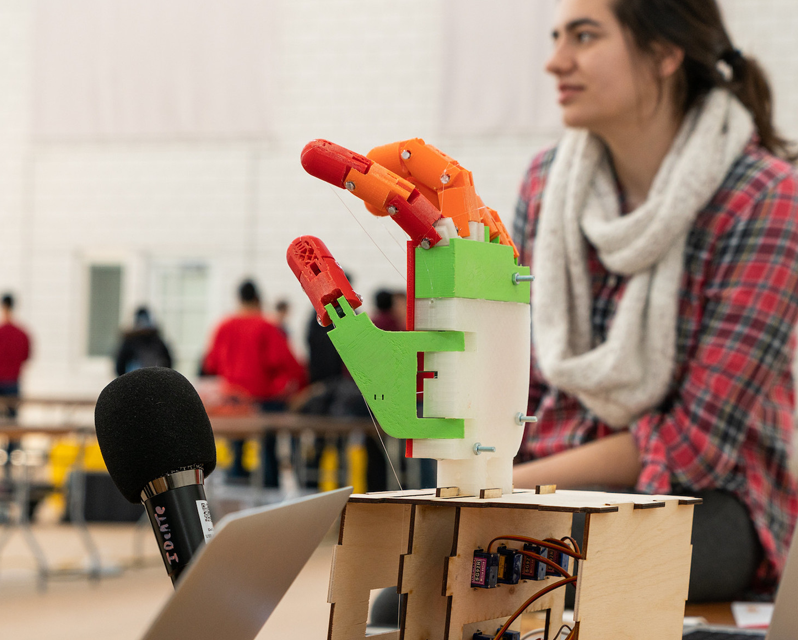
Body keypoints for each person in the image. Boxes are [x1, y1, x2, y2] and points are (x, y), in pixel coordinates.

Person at [511, 0, 798, 602]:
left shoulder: (766, 197)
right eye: (558, 36)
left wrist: (507, 487)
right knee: (410, 590)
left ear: (666, 53)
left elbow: (695, 446)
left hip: (711, 500)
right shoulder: (544, 185)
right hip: (549, 486)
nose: (554, 62)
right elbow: (524, 384)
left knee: (571, 584)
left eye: (585, 37)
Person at [203, 280, 307, 483]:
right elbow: (289, 364)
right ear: (258, 298)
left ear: (239, 298)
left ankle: (236, 496)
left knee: (236, 450)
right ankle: (269, 496)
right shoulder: (267, 326)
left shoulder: (224, 326)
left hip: (233, 402)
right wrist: (293, 389)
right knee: (268, 450)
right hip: (263, 400)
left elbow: (211, 364)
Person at [115, 306, 173, 376]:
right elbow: (120, 364)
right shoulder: (130, 341)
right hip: (134, 379)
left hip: (154, 378)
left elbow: (168, 360)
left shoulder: (156, 340)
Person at [0, 294, 31, 418]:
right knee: (12, 421)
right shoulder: (22, 334)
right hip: (13, 382)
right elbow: (26, 356)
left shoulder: (2, 332)